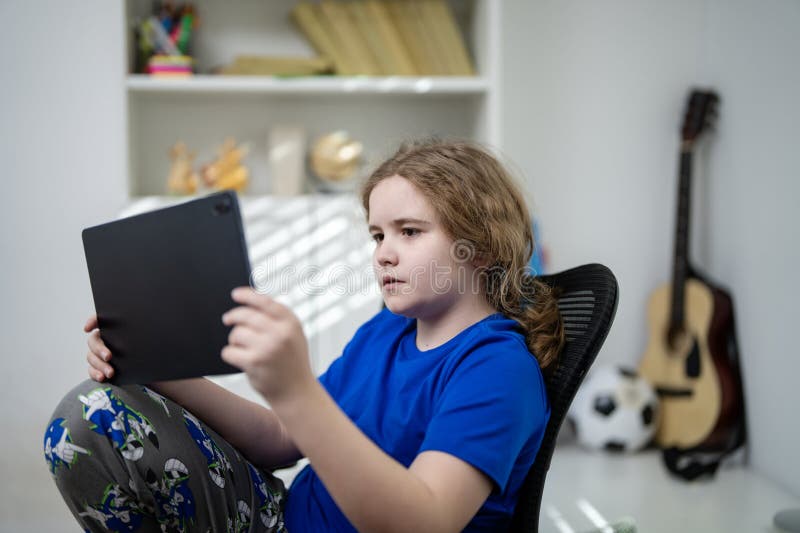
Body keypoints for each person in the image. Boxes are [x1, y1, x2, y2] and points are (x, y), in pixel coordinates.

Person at [44, 139, 565, 532]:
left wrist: (296, 389)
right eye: (377, 234)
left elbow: (424, 522)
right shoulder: (387, 331)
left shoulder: (496, 370)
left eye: (409, 231)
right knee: (93, 413)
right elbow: (283, 440)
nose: (383, 252)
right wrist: (159, 368)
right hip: (283, 517)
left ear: (480, 244)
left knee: (89, 414)